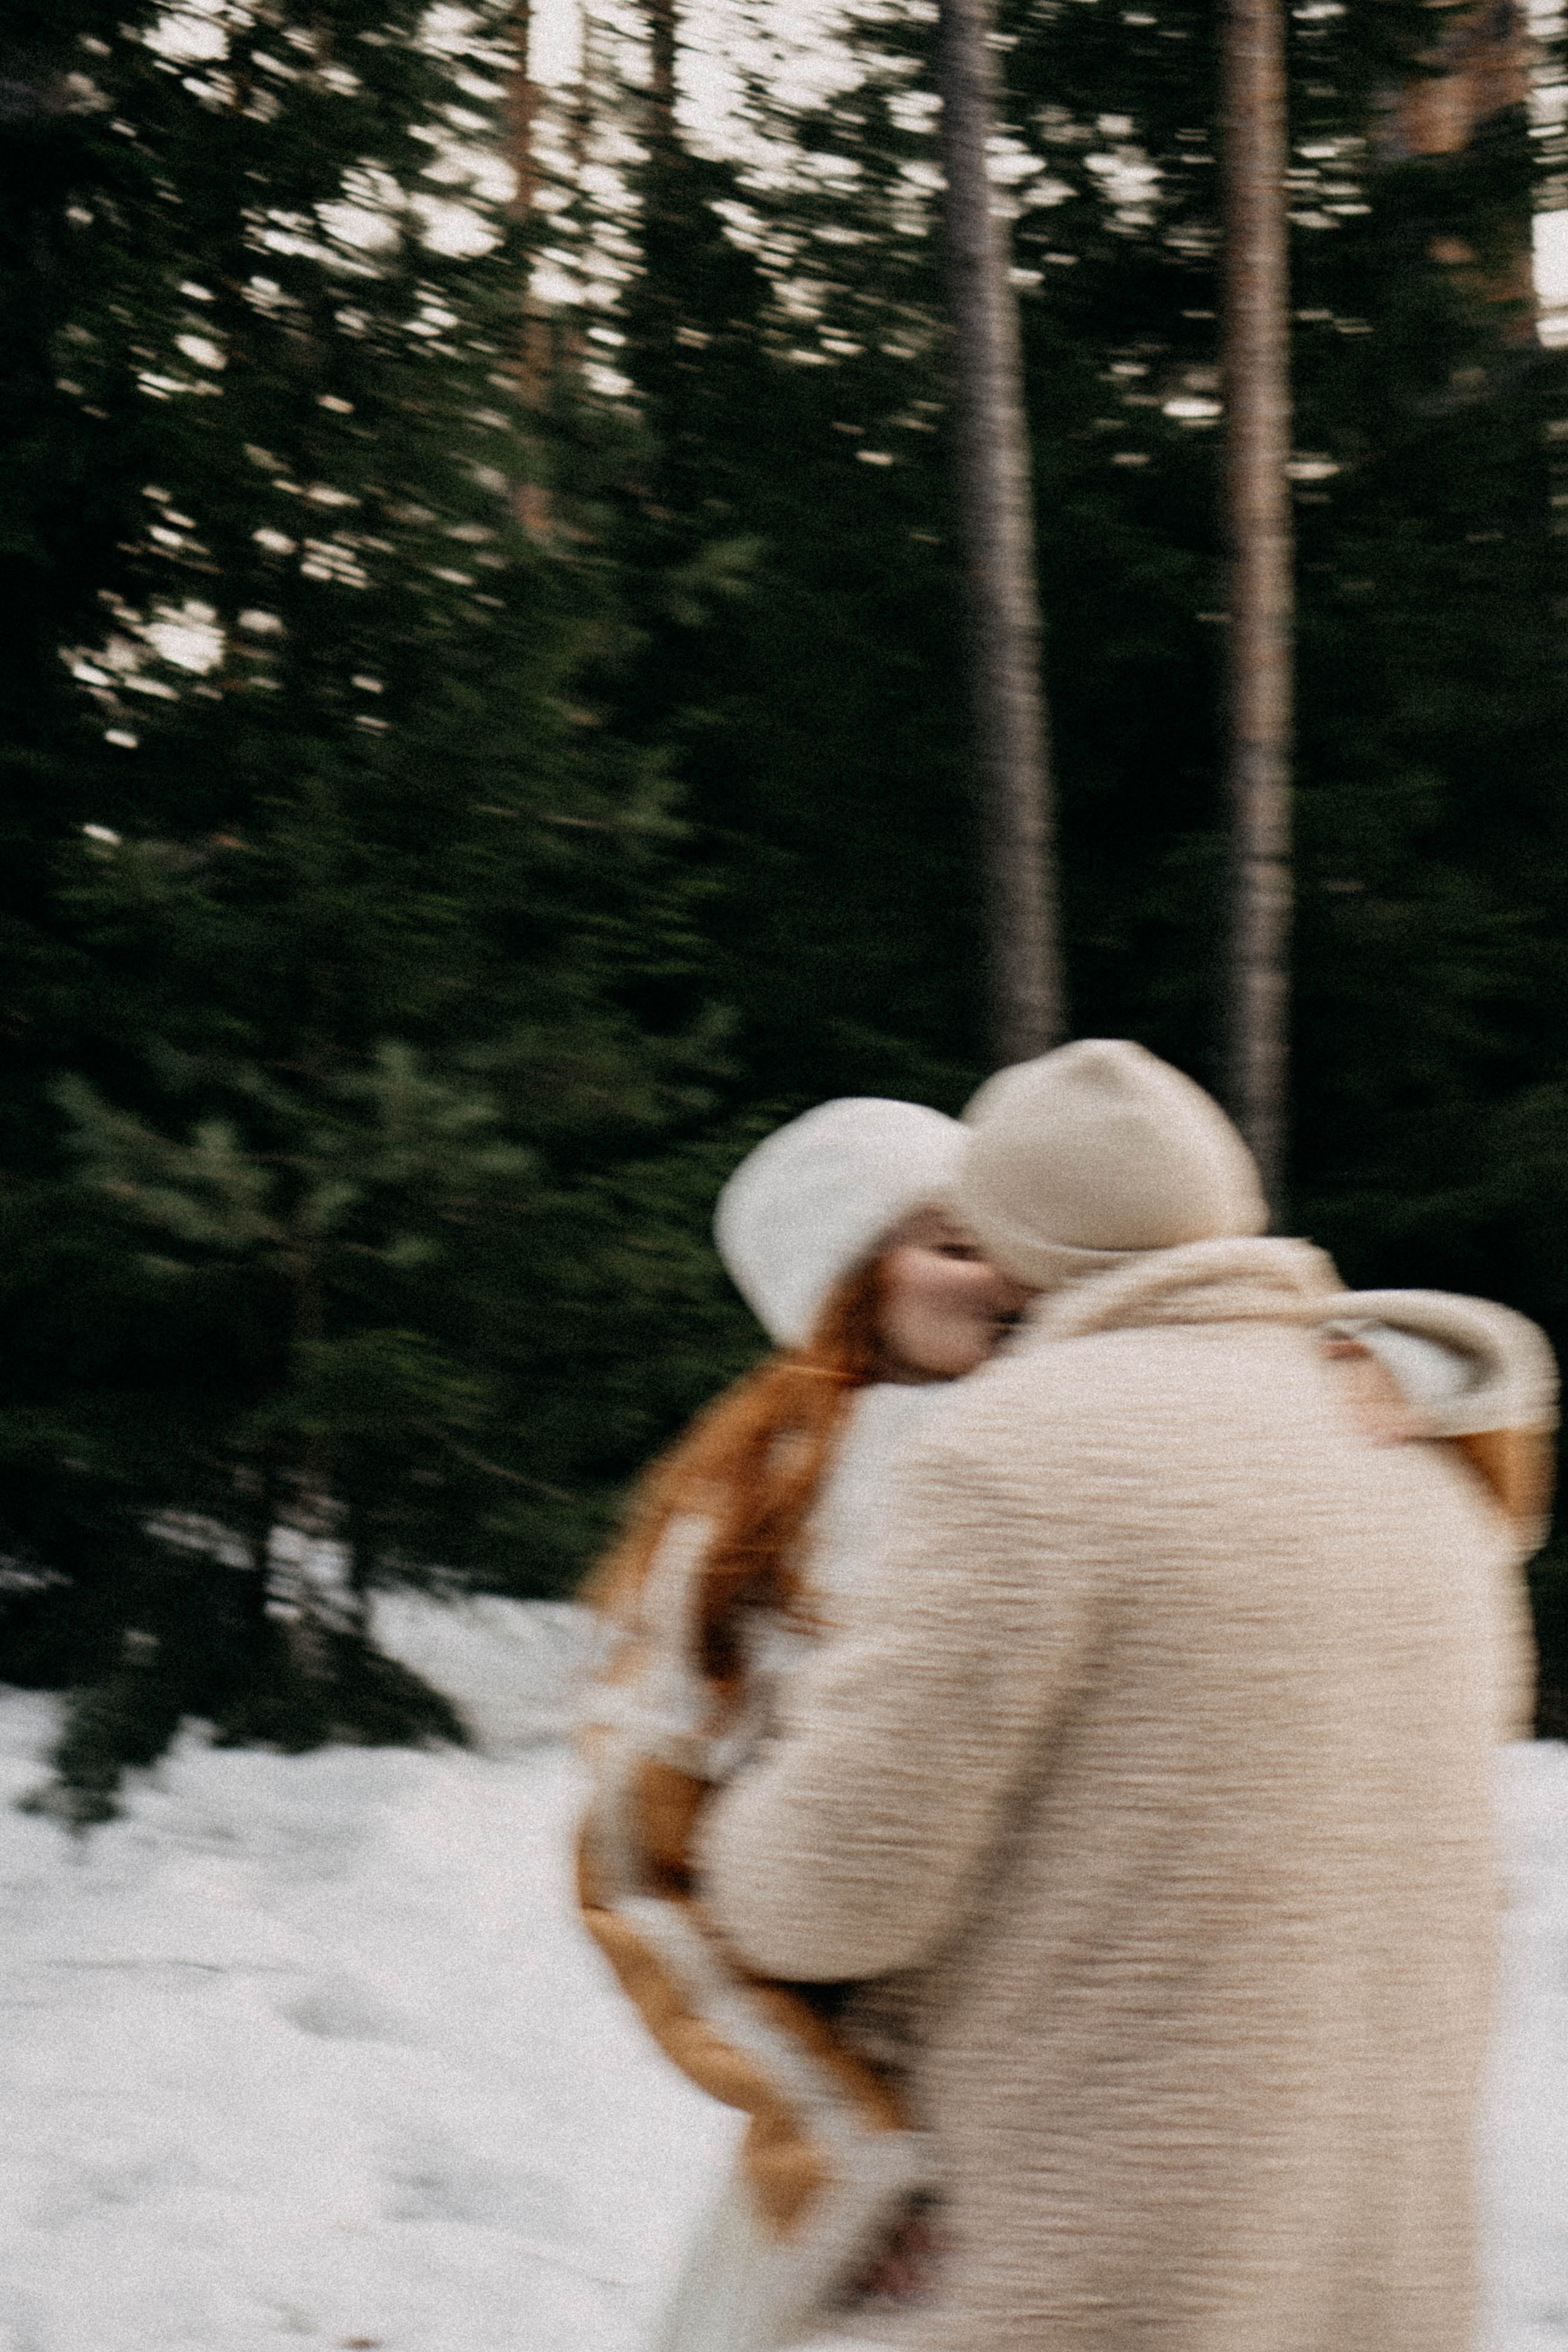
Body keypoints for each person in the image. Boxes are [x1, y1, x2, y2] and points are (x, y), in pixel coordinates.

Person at [699, 1039, 1556, 2352]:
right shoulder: (1421, 1455)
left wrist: (739, 1814)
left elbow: (830, 1896)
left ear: (1014, 1229)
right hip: (1371, 2255)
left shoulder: (1015, 1452)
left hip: (1109, 2241)